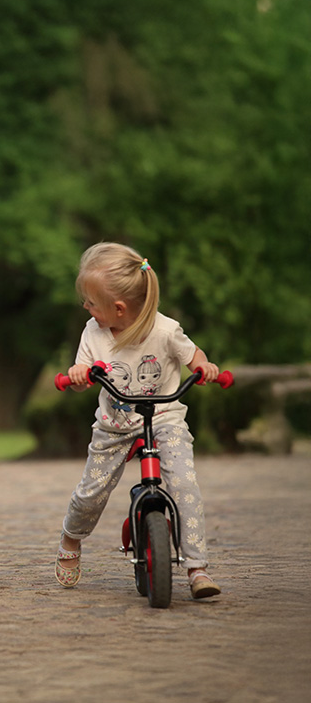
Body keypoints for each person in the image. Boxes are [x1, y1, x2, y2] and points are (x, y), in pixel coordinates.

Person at [55, 243, 221, 599]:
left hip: (164, 418)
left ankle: (197, 568)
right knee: (91, 492)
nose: (86, 307)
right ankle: (71, 537)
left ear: (118, 308)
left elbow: (193, 355)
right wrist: (79, 374)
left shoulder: (166, 330)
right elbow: (81, 373)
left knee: (185, 485)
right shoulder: (93, 332)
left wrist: (204, 366)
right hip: (114, 424)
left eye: (90, 302)